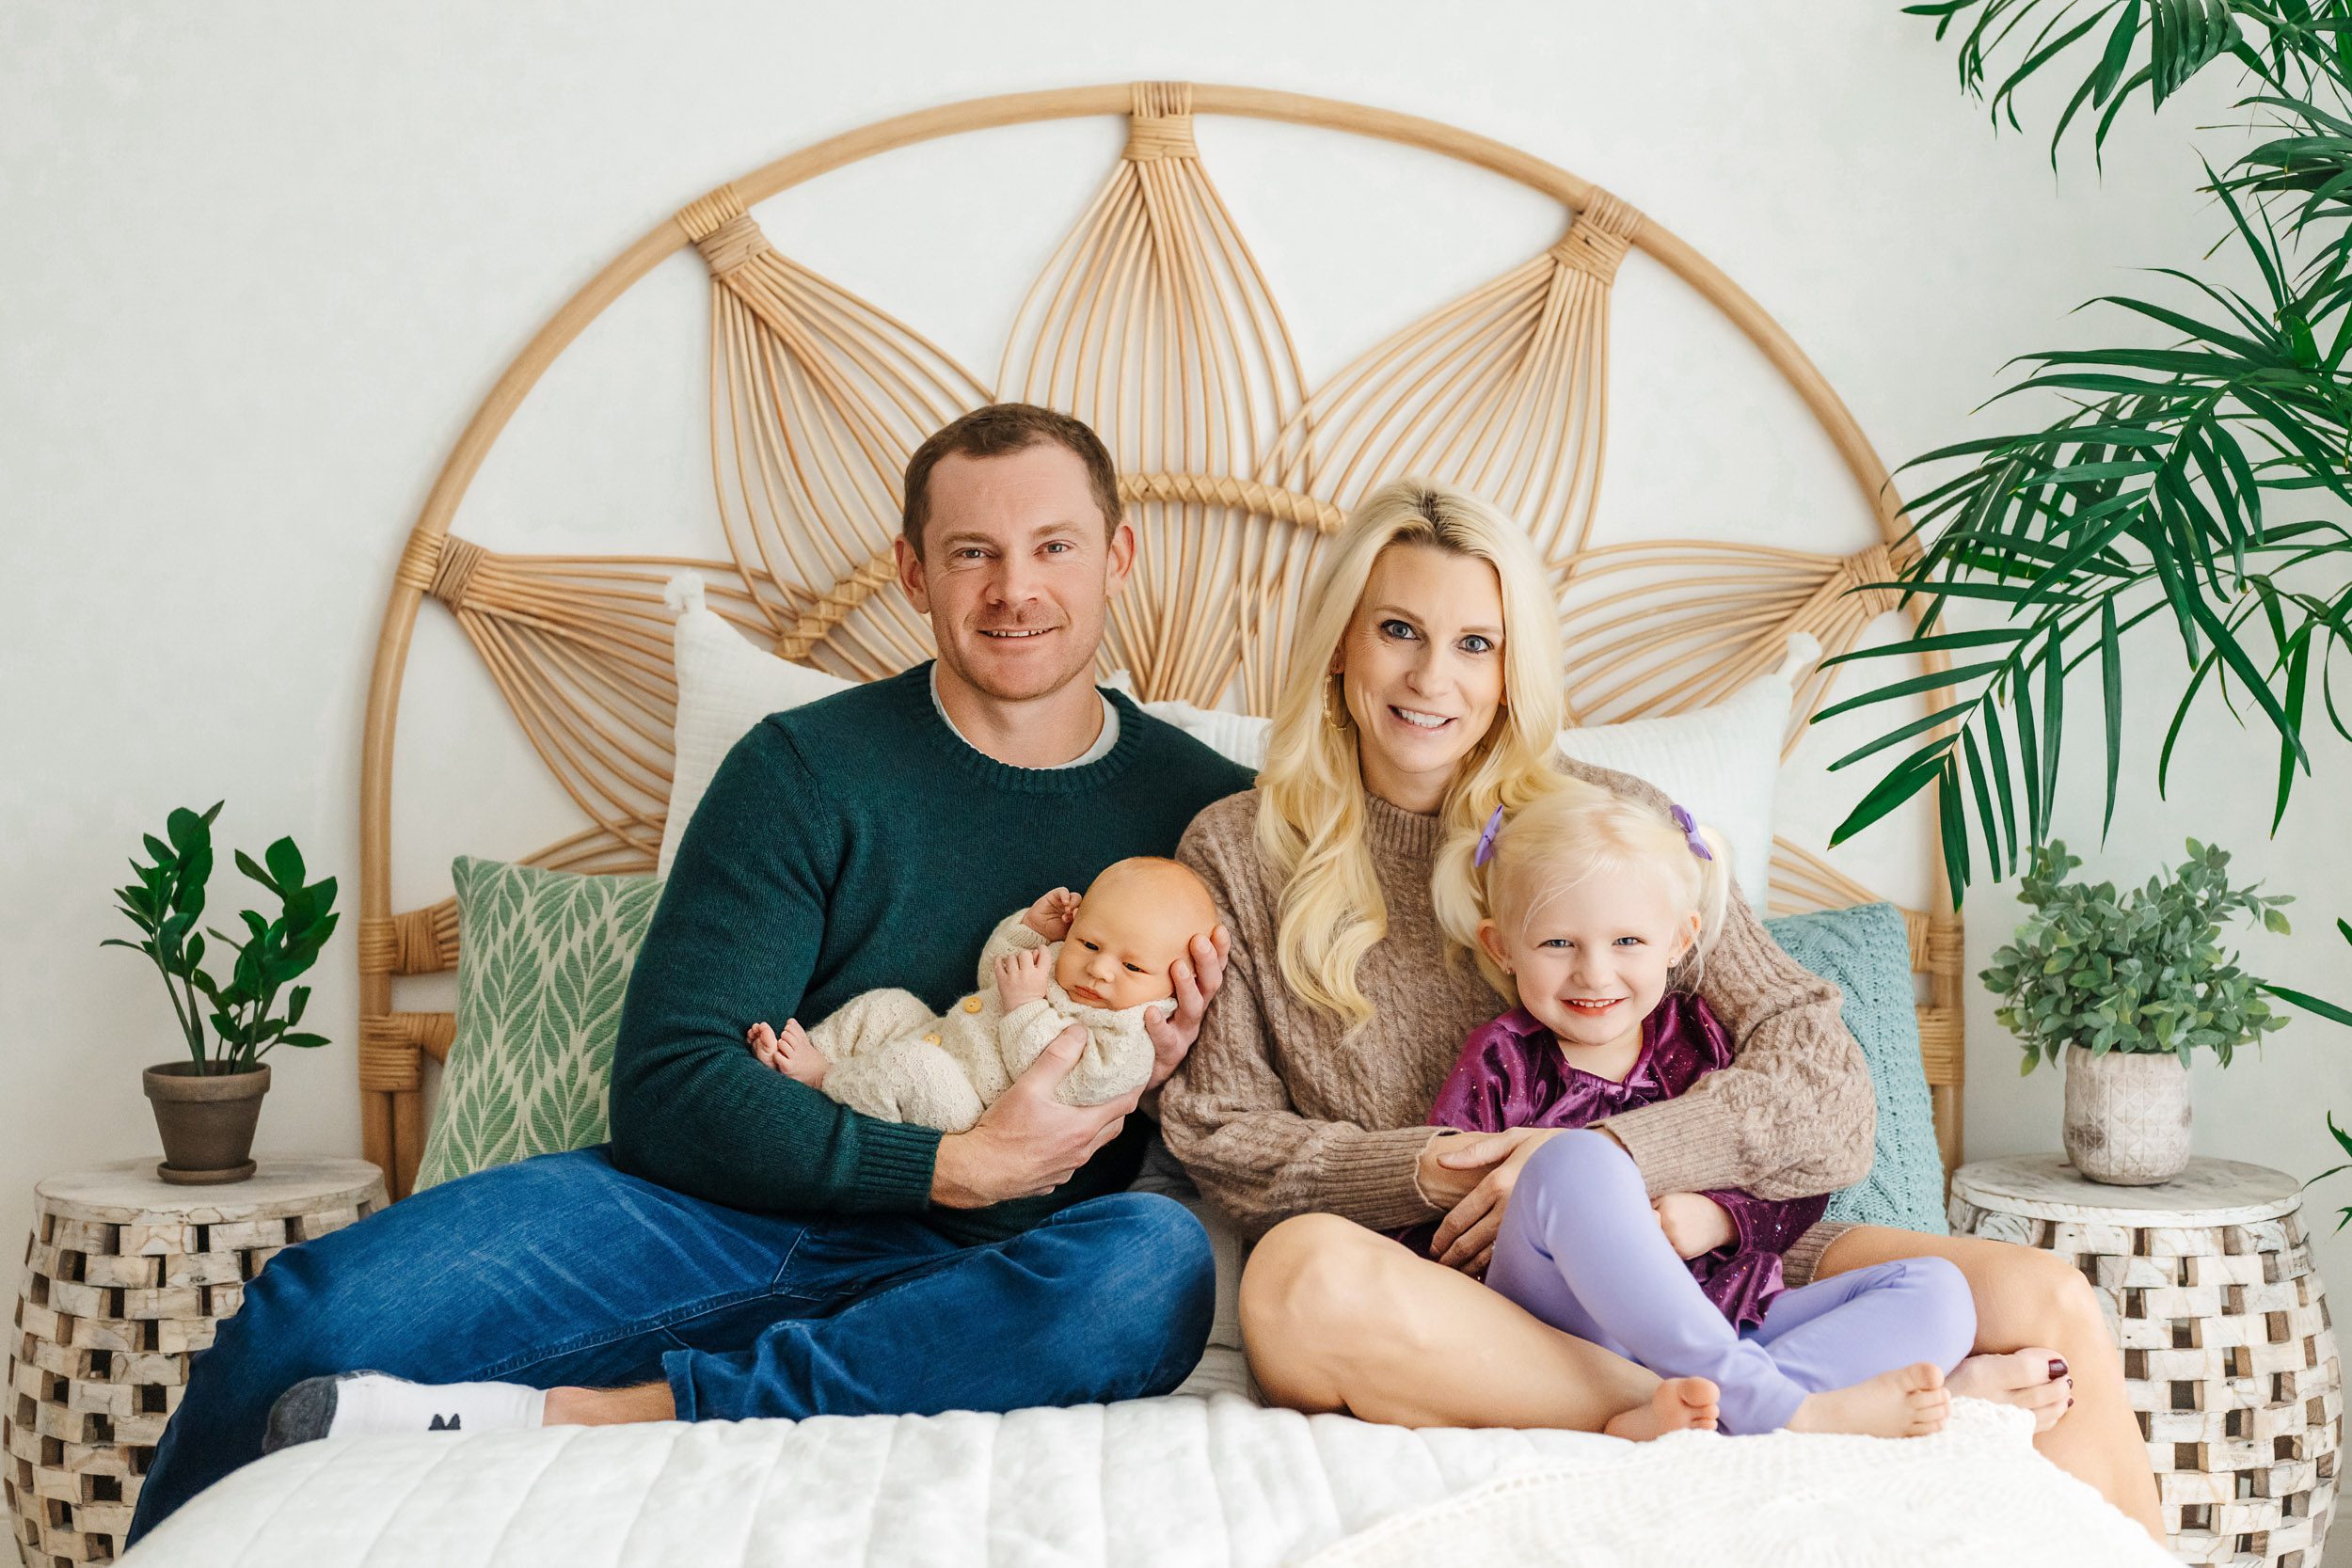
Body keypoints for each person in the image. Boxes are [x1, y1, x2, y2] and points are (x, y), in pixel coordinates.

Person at [125, 404, 1253, 1544]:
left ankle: (622, 1413)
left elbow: (1273, 1103)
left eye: (1053, 545)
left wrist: (1164, 1086)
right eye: (974, 552)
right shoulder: (805, 766)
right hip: (719, 1217)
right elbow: (671, 1083)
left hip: (991, 1273)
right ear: (914, 572)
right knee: (306, 1314)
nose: (1016, 588)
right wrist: (949, 1161)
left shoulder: (1210, 813)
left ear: (1116, 556)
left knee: (1149, 1270)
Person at [1159, 477, 2159, 1532]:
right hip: (1477, 1305)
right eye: (1397, 630)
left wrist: (1629, 1159)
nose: (1429, 677)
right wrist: (1438, 1164)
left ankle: (1710, 1395)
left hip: (1724, 1258)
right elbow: (1222, 1138)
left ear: (1514, 666)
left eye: (1475, 643)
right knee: (1295, 1279)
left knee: (2044, 1295)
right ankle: (1742, 1403)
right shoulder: (1236, 848)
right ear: (1338, 643)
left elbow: (1824, 1088)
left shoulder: (1611, 825)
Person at [1413, 783, 1975, 1437]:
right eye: (1558, 944)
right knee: (1575, 1161)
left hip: (1724, 1316)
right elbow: (1452, 1230)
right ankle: (1778, 1408)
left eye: (1627, 940)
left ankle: (1708, 1409)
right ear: (1502, 945)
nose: (1595, 973)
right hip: (1568, 1334)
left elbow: (1795, 1184)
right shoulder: (1501, 1059)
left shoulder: (1702, 1041)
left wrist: (1722, 1218)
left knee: (1941, 1291)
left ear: (1681, 939)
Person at [746, 859, 1219, 1131]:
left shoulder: (1129, 1038)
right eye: (1090, 943)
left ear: (1176, 984)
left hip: (968, 1109)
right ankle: (805, 1056)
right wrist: (1032, 931)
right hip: (939, 1036)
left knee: (917, 1070)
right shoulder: (1064, 961)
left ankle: (822, 1079)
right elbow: (994, 976)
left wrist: (1026, 1007)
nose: (1098, 968)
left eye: (1133, 966)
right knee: (889, 1005)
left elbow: (1067, 1084)